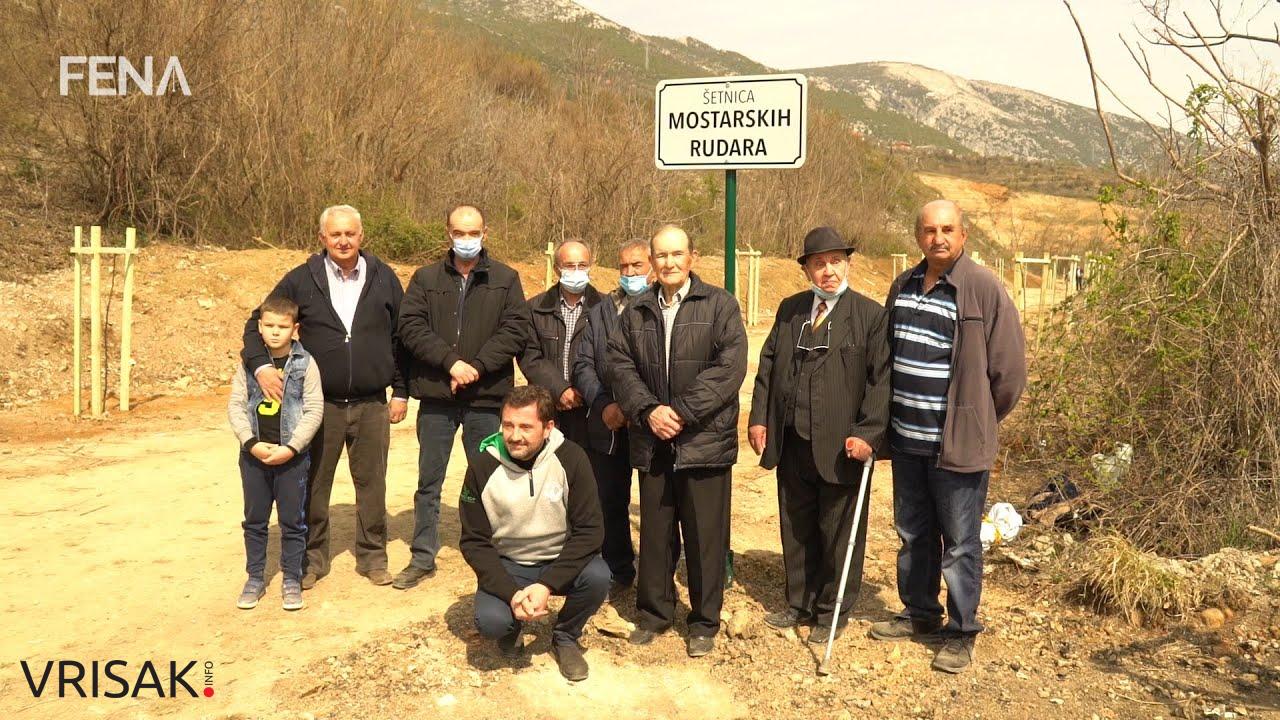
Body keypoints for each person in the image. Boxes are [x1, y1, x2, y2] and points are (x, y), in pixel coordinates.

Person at [869, 200, 1026, 674]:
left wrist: (975, 420)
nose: (938, 238)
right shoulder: (904, 285)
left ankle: (961, 632)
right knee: (913, 533)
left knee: (959, 542)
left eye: (947, 229)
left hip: (956, 445)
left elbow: (1009, 374)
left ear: (963, 235)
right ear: (918, 235)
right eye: (929, 230)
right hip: (906, 439)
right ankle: (920, 613)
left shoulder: (982, 287)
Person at [240, 204, 409, 590]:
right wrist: (261, 365)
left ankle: (373, 557)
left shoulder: (383, 277)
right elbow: (257, 322)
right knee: (314, 485)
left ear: (361, 235)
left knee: (373, 484)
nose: (343, 241)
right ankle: (312, 559)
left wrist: (400, 391)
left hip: (372, 403)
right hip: (318, 406)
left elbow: (401, 338)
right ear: (322, 238)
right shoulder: (302, 279)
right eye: (336, 234)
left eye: (350, 233)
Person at [606, 224, 747, 658]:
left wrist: (681, 412)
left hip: (704, 441)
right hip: (653, 441)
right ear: (652, 261)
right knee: (656, 533)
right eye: (661, 255)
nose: (668, 263)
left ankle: (703, 621)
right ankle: (654, 613)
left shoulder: (720, 304)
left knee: (705, 537)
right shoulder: (636, 311)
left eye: (676, 254)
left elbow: (729, 368)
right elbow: (619, 365)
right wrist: (649, 410)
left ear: (692, 257)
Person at [747, 226, 891, 642]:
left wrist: (867, 433)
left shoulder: (869, 316)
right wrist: (760, 418)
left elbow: (881, 382)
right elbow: (768, 366)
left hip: (843, 445)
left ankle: (832, 611)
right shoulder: (790, 310)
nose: (828, 271)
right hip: (793, 438)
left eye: (835, 261)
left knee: (838, 530)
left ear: (847, 264)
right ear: (806, 269)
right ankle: (799, 602)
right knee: (797, 524)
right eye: (819, 263)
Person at [395, 205, 530, 590]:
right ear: (448, 233)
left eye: (473, 233)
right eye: (459, 232)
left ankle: (495, 552)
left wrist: (477, 367)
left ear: (485, 233)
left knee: (491, 477)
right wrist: (451, 363)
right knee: (429, 480)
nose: (466, 239)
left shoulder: (506, 279)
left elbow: (515, 330)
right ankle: (422, 555)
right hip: (437, 397)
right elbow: (411, 327)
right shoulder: (425, 278)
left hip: (486, 399)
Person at [459, 385, 608, 682]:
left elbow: (590, 531)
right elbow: (474, 541)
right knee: (491, 623)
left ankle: (565, 636)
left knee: (598, 577)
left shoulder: (572, 458)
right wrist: (511, 593)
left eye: (526, 427)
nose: (515, 435)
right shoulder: (481, 466)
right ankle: (511, 627)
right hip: (509, 563)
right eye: (508, 425)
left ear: (548, 427)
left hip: (558, 558)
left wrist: (548, 585)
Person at [228, 296, 324, 611]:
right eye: (268, 325)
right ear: (259, 326)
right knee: (255, 520)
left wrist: (292, 448)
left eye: (282, 327)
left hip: (291, 460)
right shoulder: (249, 365)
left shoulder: (306, 364)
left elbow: (314, 409)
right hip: (253, 457)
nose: (274, 332)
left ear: (295, 329)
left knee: (293, 522)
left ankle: (292, 578)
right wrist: (250, 443)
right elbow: (236, 405)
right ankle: (255, 577)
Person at [572, 239, 652, 595]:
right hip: (608, 422)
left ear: (651, 267)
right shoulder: (602, 311)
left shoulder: (661, 308)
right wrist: (605, 404)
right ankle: (619, 569)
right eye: (624, 266)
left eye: (637, 265)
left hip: (650, 423)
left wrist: (638, 407)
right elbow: (583, 364)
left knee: (658, 506)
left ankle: (657, 574)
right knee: (609, 499)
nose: (630, 273)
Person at [518, 239, 602, 445]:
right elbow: (530, 356)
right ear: (556, 269)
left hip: (591, 409)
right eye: (569, 266)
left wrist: (585, 392)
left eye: (582, 265)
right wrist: (560, 390)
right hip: (548, 407)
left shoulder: (605, 308)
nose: (577, 271)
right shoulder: (534, 308)